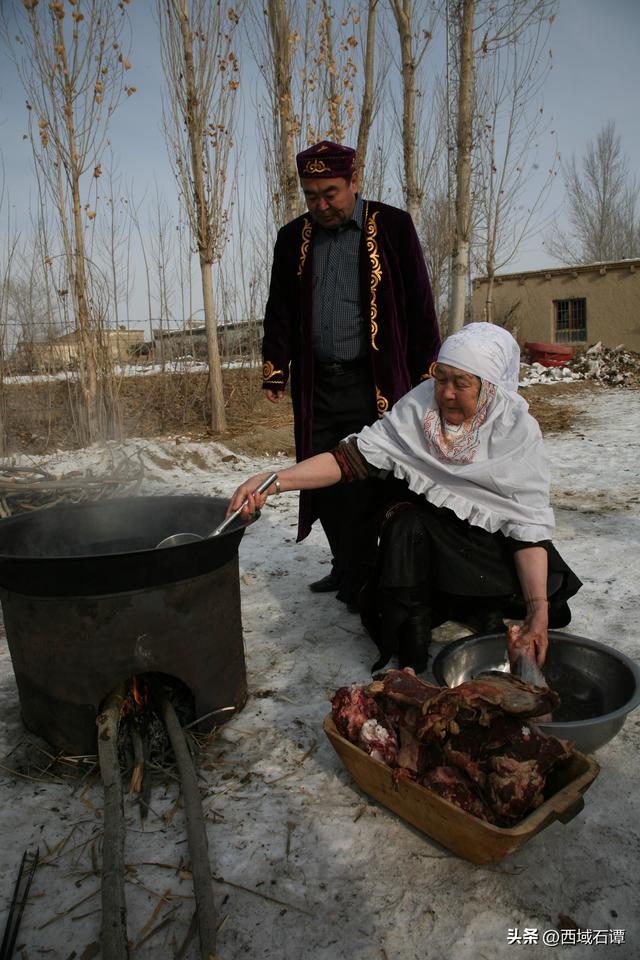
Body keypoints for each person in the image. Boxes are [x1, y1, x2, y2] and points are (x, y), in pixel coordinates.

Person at [229, 323, 581, 673]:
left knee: (538, 583)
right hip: (435, 546)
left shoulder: (516, 430)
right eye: (441, 378)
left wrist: (537, 610)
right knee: (404, 524)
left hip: (493, 552)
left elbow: (527, 528)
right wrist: (272, 481)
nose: (445, 393)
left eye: (462, 383)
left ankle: (481, 603)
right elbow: (349, 459)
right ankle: (414, 643)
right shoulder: (419, 408)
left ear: (489, 388)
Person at [261, 140, 441, 610]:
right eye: (311, 195)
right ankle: (347, 568)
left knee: (378, 477)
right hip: (318, 385)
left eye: (331, 193)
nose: (320, 205)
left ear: (354, 182)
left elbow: (421, 304)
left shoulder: (393, 226)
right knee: (325, 481)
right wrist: (276, 368)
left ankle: (387, 573)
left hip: (377, 383)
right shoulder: (291, 239)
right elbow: (279, 308)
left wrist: (430, 375)